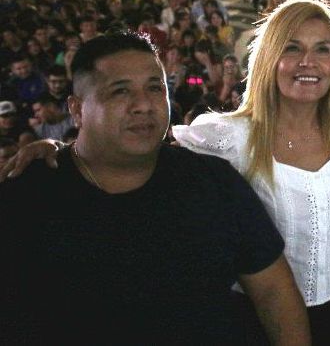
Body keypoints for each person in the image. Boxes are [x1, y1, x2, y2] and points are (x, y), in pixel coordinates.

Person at [0, 32, 310, 344]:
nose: (143, 105)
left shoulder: (212, 181)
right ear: (77, 110)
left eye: (154, 88)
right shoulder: (27, 195)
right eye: (120, 92)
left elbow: (273, 291)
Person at [172, 0, 330, 346]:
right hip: (253, 317)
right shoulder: (228, 137)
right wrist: (60, 151)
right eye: (292, 48)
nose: (309, 62)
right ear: (269, 59)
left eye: (323, 49)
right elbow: (144, 159)